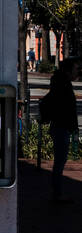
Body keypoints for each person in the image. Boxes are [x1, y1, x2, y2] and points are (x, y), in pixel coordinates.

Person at [46, 56, 79, 203]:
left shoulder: (59, 82)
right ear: (68, 70)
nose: (77, 72)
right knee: (60, 161)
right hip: (61, 126)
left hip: (59, 126)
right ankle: (57, 193)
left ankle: (57, 192)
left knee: (60, 161)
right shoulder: (63, 85)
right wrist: (73, 127)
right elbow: (67, 109)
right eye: (75, 69)